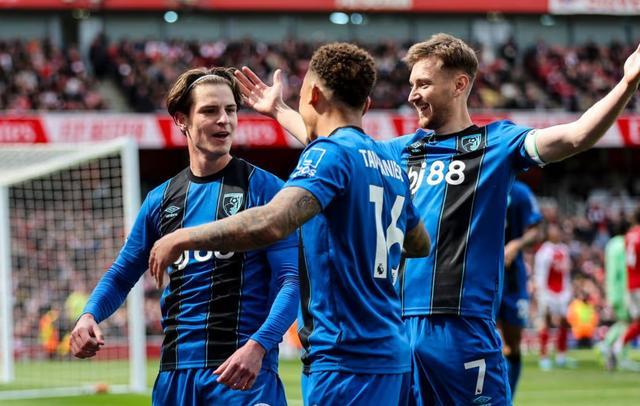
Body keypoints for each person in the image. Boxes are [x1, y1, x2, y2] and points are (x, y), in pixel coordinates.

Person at [233, 34, 640, 404]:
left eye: (423, 84)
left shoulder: (496, 144)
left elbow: (575, 136)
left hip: (460, 330)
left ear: (459, 84)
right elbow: (334, 143)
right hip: (394, 331)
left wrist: (626, 83)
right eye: (412, 84)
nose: (412, 95)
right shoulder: (398, 151)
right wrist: (279, 111)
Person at [148, 42, 431, 405]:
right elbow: (419, 243)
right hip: (392, 353)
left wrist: (183, 237)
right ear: (366, 104)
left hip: (345, 358)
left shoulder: (328, 155)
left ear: (312, 95)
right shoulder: (387, 162)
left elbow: (272, 222)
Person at [69, 67, 299, 406]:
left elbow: (291, 280)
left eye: (230, 110)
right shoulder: (160, 201)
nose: (224, 120)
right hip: (175, 377)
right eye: (210, 110)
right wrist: (88, 315)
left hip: (243, 372)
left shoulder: (267, 190)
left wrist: (259, 345)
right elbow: (122, 274)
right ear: (182, 120)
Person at [498, 180, 542, 395]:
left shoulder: (520, 192)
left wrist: (516, 244)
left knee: (512, 344)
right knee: (478, 339)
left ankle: (508, 398)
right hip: (478, 275)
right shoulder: (478, 182)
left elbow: (536, 231)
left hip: (512, 278)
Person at [534, 223, 573, 370]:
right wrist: (541, 293)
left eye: (557, 230)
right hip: (548, 292)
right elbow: (540, 274)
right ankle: (544, 357)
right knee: (546, 322)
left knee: (564, 322)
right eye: (553, 230)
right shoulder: (544, 251)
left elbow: (566, 273)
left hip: (562, 292)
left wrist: (568, 291)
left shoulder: (564, 249)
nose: (556, 233)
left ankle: (561, 355)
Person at [600, 219, 630, 370]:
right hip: (624, 290)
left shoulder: (611, 245)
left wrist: (610, 294)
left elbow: (611, 271)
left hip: (613, 290)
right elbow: (622, 270)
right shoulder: (624, 244)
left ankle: (611, 349)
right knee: (627, 323)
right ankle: (612, 348)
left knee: (624, 322)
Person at [613, 207, 640, 370]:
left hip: (631, 284)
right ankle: (617, 346)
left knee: (637, 321)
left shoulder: (629, 236)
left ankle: (617, 346)